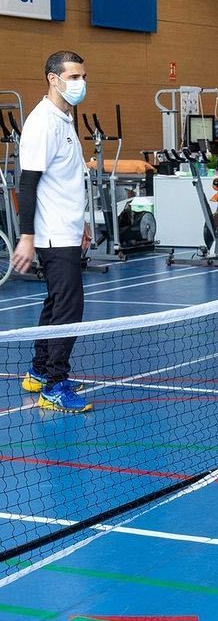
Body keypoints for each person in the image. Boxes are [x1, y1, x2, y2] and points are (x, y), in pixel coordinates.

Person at [12, 50, 94, 412]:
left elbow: (69, 179)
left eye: (82, 76)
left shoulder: (64, 118)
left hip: (68, 228)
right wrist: (26, 236)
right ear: (53, 78)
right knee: (69, 308)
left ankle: (39, 371)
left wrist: (83, 222)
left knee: (56, 302)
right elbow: (27, 184)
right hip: (51, 234)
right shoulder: (42, 122)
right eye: (73, 77)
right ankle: (55, 386)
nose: (80, 83)